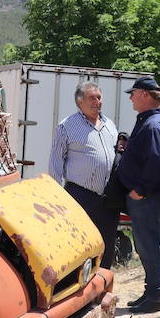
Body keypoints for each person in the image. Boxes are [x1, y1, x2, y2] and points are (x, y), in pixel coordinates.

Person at [118, 75, 160, 313]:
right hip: (148, 198)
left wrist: (139, 190)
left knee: (149, 247)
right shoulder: (151, 121)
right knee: (146, 247)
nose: (131, 97)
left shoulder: (153, 125)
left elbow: (156, 161)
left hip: (149, 199)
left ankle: (156, 296)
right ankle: (152, 292)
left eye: (133, 93)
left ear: (144, 94)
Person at [48, 81, 120, 268]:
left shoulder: (109, 125)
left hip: (108, 198)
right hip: (80, 196)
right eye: (92, 98)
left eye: (99, 97)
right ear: (80, 102)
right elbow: (56, 163)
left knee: (106, 244)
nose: (97, 101)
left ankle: (102, 287)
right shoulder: (67, 126)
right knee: (79, 245)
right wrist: (57, 199)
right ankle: (80, 292)